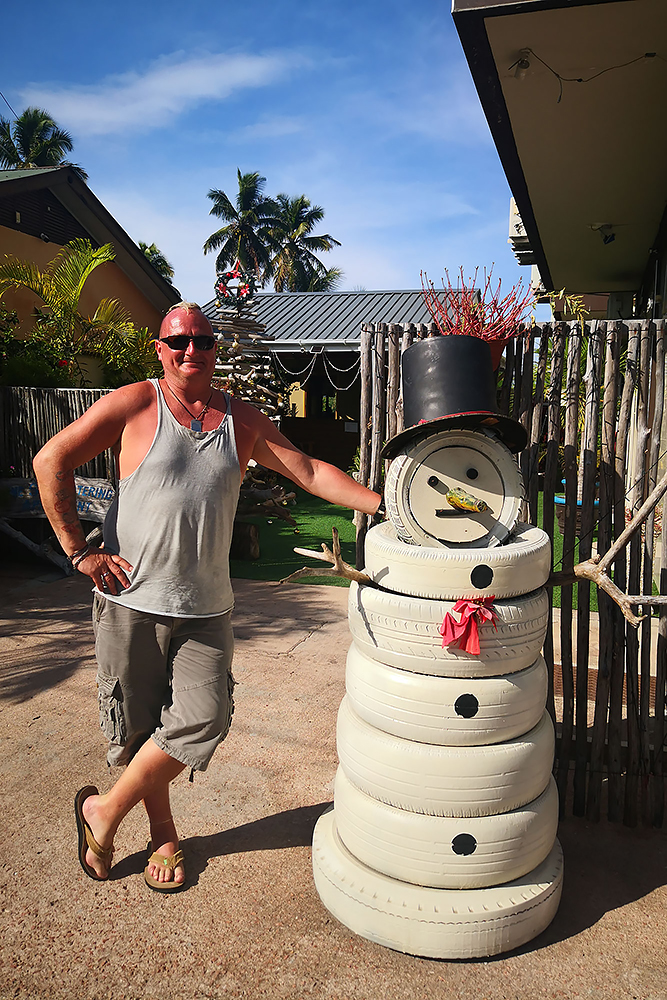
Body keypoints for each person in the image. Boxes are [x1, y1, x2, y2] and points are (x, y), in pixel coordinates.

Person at [33, 301, 382, 892]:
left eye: (202, 339)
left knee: (202, 720)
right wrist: (78, 551)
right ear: (160, 349)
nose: (191, 349)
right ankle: (163, 833)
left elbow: (308, 471)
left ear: (215, 348)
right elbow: (52, 460)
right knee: (141, 729)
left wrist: (389, 506)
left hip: (206, 609)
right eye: (178, 341)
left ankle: (103, 811)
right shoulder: (135, 402)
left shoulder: (241, 420)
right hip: (129, 600)